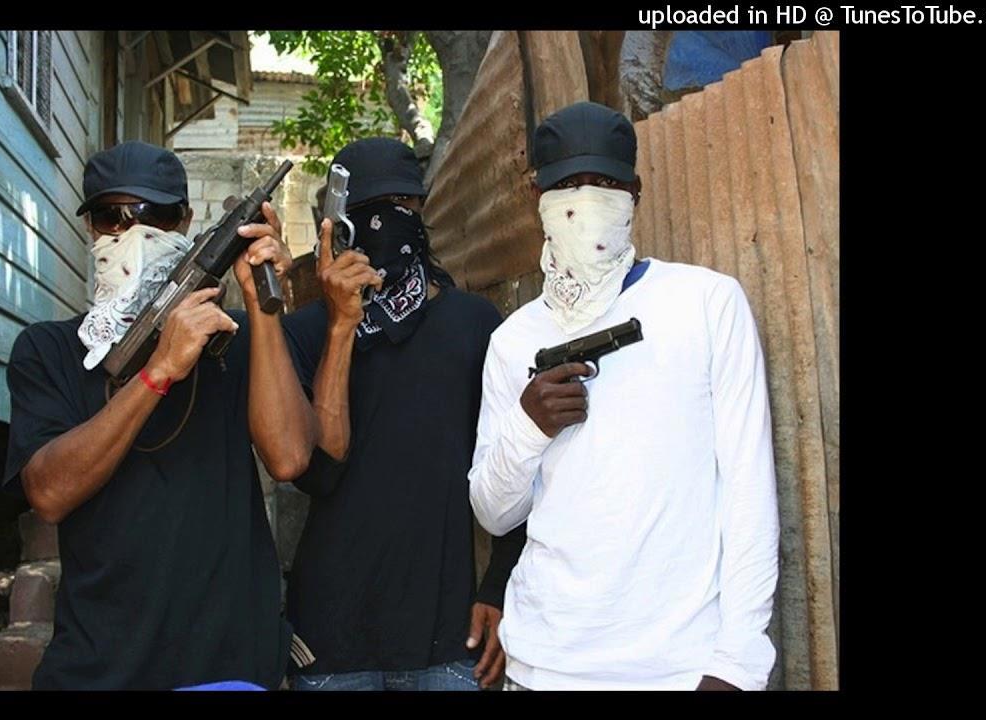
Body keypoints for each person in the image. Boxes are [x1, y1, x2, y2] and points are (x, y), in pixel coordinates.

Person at [468, 102, 780, 691]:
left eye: (606, 184)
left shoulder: (707, 303)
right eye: (568, 185)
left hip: (676, 669)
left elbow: (748, 492)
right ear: (537, 197)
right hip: (543, 665)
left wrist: (737, 661)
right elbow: (494, 511)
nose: (587, 201)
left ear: (635, 193)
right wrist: (529, 427)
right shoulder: (513, 340)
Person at [2, 141, 317, 690]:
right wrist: (159, 370)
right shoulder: (48, 350)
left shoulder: (235, 341)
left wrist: (261, 305)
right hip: (99, 670)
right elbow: (48, 494)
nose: (133, 233)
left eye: (156, 216)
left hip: (227, 667)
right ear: (91, 229)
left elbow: (289, 458)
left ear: (186, 222)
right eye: (112, 217)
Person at [280, 138, 526, 691]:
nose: (385, 224)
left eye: (401, 205)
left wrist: (499, 587)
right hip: (333, 642)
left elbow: (513, 463)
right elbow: (317, 473)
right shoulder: (304, 333)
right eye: (367, 211)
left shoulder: (473, 324)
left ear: (420, 210)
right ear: (338, 228)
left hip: (448, 635)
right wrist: (341, 326)